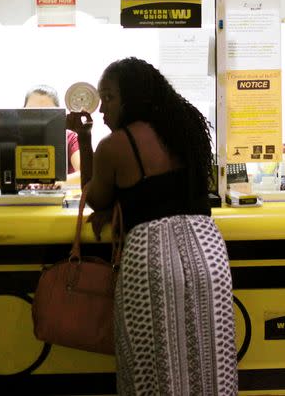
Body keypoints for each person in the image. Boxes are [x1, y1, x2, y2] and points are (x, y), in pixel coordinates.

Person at [66, 57, 238, 395]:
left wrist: (84, 138)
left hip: (152, 257)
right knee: (209, 364)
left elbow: (97, 198)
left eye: (110, 98)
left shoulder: (115, 145)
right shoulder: (185, 128)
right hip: (208, 252)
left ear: (133, 97)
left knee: (154, 367)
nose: (102, 110)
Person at [23, 85, 80, 181]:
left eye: (46, 112)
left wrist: (54, 183)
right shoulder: (12, 139)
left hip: (60, 194)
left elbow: (85, 174)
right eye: (32, 112)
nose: (39, 118)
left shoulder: (69, 138)